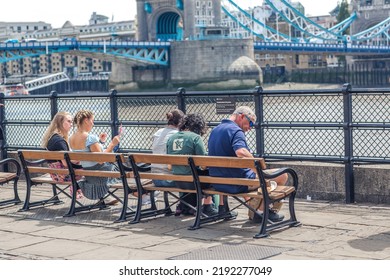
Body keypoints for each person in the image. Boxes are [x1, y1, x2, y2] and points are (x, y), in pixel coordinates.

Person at [208, 106, 287, 223]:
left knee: (258, 177)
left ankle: (227, 208)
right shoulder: (236, 131)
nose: (250, 127)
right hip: (237, 183)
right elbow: (240, 152)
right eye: (250, 123)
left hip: (218, 183)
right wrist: (258, 166)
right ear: (241, 116)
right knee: (283, 175)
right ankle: (261, 212)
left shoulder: (215, 130)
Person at [167, 113, 218, 217]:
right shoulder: (196, 138)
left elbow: (169, 166)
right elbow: (203, 164)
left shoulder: (171, 138)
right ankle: (209, 206)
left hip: (177, 182)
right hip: (193, 182)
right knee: (214, 175)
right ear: (198, 126)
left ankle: (186, 206)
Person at [69, 110, 120, 204]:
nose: (93, 123)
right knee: (123, 168)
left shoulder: (71, 138)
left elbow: (90, 155)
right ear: (86, 120)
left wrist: (100, 142)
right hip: (101, 173)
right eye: (92, 120)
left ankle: (106, 198)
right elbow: (101, 160)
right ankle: (140, 193)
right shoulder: (90, 138)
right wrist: (112, 144)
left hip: (89, 174)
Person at [41, 111, 83, 199]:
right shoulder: (60, 141)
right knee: (94, 170)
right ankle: (102, 197)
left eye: (71, 121)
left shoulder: (51, 137)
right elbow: (66, 164)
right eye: (68, 121)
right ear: (60, 122)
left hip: (55, 175)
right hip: (64, 176)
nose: (71, 124)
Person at [151, 109, 185, 187]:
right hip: (169, 179)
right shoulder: (178, 135)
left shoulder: (158, 132)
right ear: (181, 123)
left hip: (154, 177)